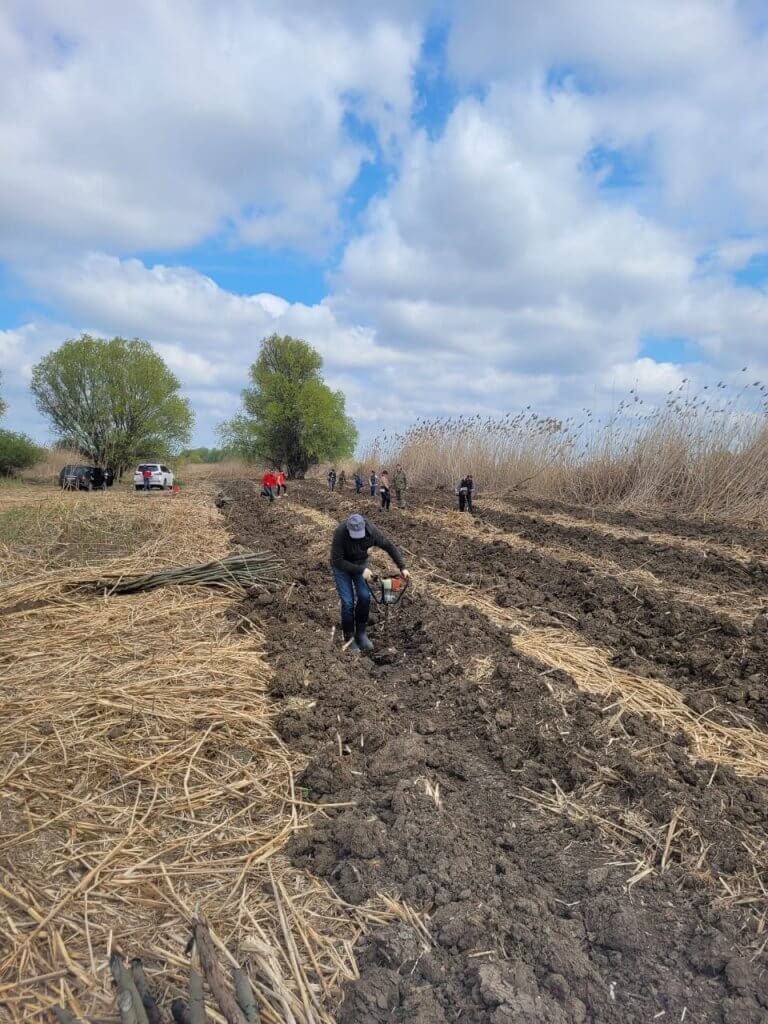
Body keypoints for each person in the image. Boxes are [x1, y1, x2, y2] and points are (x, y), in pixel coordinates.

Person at [331, 512, 410, 652]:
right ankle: (349, 636)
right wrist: (361, 571)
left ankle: (361, 633)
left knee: (364, 596)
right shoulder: (340, 532)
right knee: (348, 602)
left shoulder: (372, 532)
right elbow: (337, 560)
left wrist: (402, 567)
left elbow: (389, 546)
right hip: (341, 568)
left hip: (360, 563)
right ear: (348, 529)